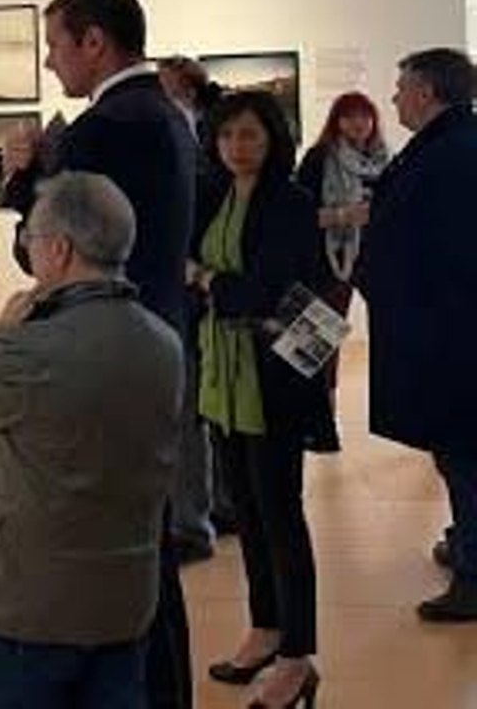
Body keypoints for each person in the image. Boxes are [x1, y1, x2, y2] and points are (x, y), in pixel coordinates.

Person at [3, 0, 197, 709]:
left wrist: (23, 177)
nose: (51, 62)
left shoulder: (106, 127)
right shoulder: (167, 113)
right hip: (151, 344)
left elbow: (44, 251)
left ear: (94, 41)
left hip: (103, 360)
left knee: (120, 557)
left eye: (56, 43)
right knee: (145, 548)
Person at [0, 172, 182, 708]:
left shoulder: (29, 351)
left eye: (30, 238)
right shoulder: (164, 342)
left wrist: (0, 332)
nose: (27, 247)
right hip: (124, 603)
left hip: (26, 611)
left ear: (59, 250)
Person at [191, 90, 332, 709]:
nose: (236, 148)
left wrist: (203, 277)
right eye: (225, 137)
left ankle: (298, 657)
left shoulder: (292, 202)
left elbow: (260, 291)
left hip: (273, 379)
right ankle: (266, 628)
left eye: (248, 135)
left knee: (280, 516)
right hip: (223, 375)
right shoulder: (214, 196)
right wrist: (214, 287)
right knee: (245, 511)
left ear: (272, 138)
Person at [356, 48, 477, 623]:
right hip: (445, 331)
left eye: (402, 87)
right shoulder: (448, 148)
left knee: (463, 451)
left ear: (427, 92)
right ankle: (467, 542)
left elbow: (435, 248)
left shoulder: (448, 155)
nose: (396, 97)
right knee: (459, 450)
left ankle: (475, 574)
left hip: (449, 335)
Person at [158, 54, 233, 558]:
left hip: (196, 295)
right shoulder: (202, 149)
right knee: (206, 408)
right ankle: (219, 508)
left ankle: (191, 522)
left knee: (191, 412)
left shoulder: (199, 153)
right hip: (200, 296)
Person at [294, 92, 390, 321]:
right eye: (349, 116)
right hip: (329, 260)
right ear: (336, 121)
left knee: (385, 324)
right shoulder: (319, 157)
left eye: (365, 116)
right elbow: (300, 216)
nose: (359, 123)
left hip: (374, 255)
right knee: (324, 336)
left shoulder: (384, 160)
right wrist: (344, 215)